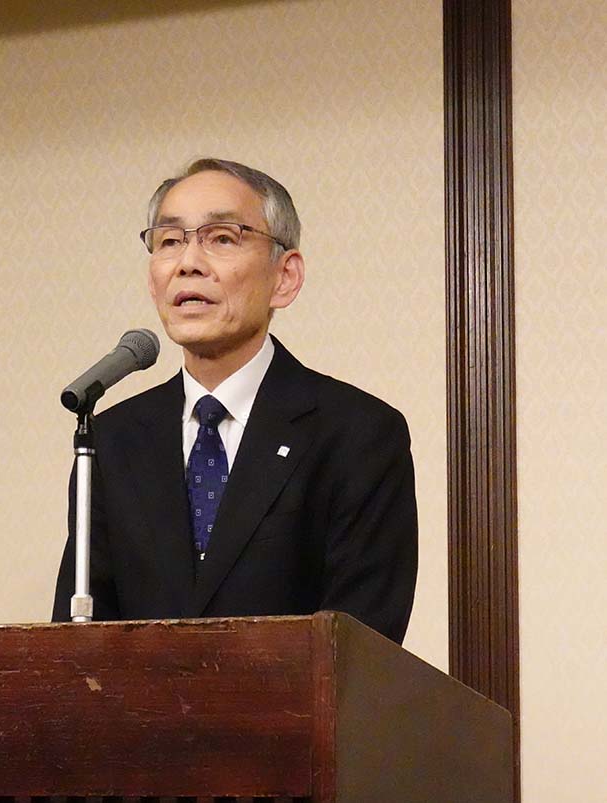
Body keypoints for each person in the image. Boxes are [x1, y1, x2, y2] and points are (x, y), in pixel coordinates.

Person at [52, 158, 417, 644]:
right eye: (169, 241)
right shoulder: (112, 441)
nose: (188, 262)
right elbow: (75, 646)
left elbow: (361, 649)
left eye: (222, 238)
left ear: (284, 277)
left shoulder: (358, 434)